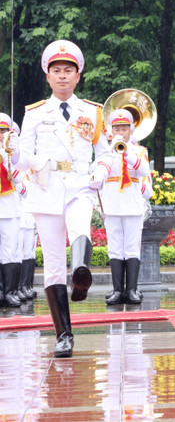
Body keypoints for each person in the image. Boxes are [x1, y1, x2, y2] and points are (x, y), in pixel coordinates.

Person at [9, 39, 113, 358]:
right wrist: (15, 154)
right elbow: (24, 157)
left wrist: (101, 171)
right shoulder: (36, 114)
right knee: (53, 264)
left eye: (69, 70)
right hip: (47, 186)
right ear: (48, 75)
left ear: (78, 75)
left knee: (80, 226)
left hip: (80, 183)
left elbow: (106, 152)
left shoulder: (93, 112)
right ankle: (63, 335)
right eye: (57, 70)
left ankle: (80, 276)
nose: (63, 76)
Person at [100, 109, 152, 305]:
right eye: (116, 129)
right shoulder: (105, 150)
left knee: (131, 248)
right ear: (111, 130)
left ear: (131, 130)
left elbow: (144, 170)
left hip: (132, 205)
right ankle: (116, 290)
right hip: (112, 204)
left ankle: (132, 290)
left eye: (124, 129)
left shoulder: (139, 151)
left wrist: (126, 152)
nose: (120, 132)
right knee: (114, 248)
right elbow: (99, 174)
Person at [0, 114, 24, 308]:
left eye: (3, 131)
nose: (0, 135)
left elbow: (22, 182)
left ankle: (9, 292)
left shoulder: (15, 153)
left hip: (10, 207)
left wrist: (9, 164)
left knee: (9, 251)